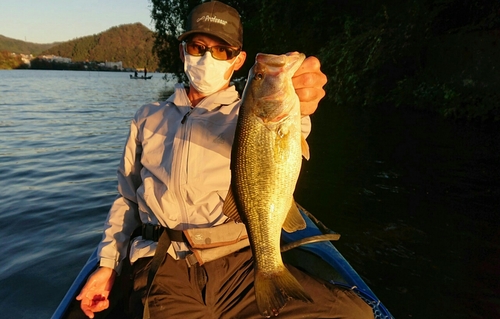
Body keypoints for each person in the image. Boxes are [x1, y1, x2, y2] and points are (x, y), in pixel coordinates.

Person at [76, 1, 373, 319]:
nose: (207, 57)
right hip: (165, 267)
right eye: (198, 46)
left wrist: (303, 99)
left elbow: (291, 129)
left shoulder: (245, 113)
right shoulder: (148, 117)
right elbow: (126, 199)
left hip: (241, 261)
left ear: (238, 60)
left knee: (356, 314)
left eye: (222, 50)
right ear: (183, 52)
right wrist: (107, 264)